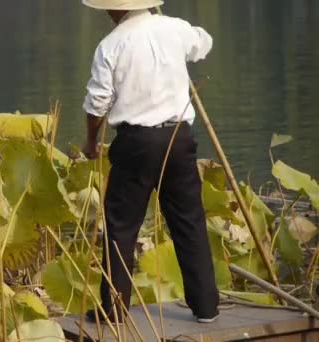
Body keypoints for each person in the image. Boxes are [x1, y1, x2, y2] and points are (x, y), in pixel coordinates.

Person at [81, 0, 220, 324]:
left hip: (138, 143)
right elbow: (204, 41)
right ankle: (206, 308)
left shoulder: (111, 45)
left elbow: (97, 103)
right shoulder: (173, 28)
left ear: (115, 9)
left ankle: (114, 310)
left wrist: (90, 140)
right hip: (178, 139)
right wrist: (180, 40)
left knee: (122, 227)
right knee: (189, 221)